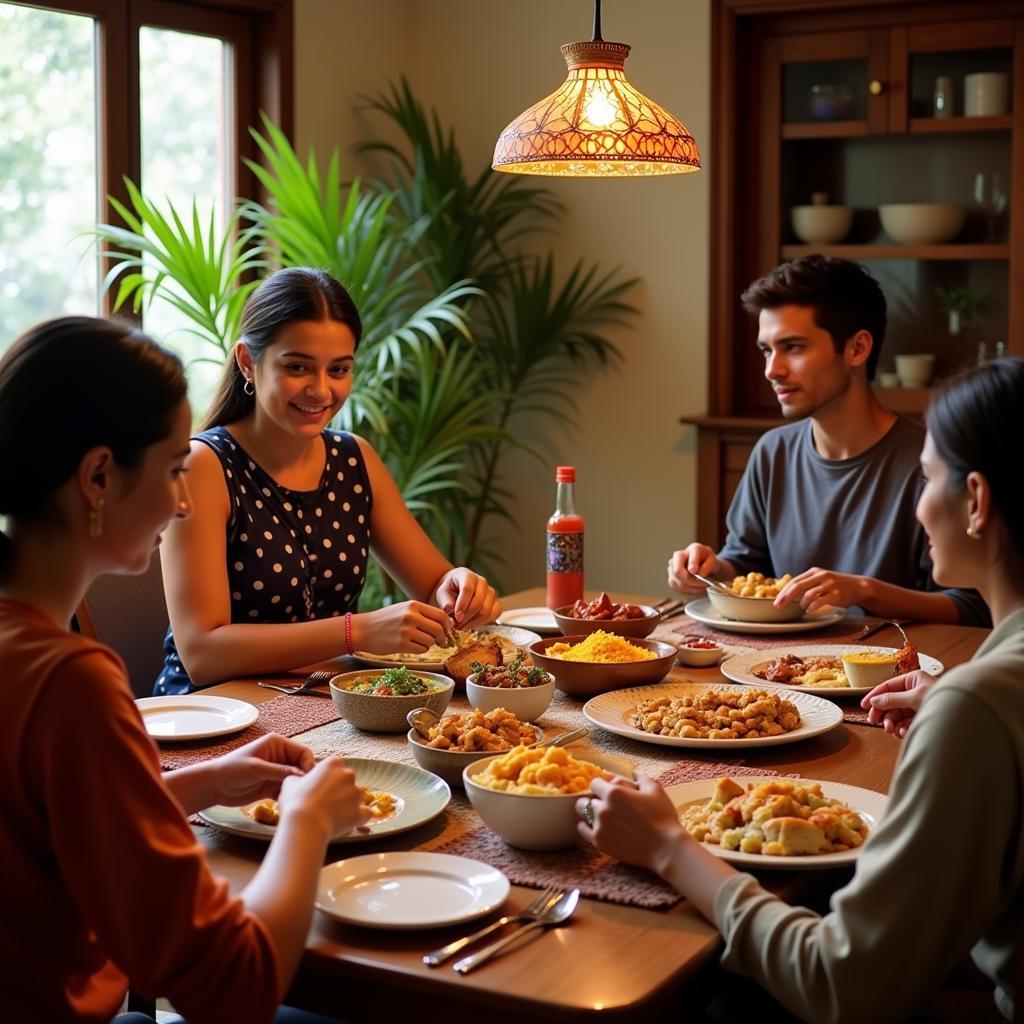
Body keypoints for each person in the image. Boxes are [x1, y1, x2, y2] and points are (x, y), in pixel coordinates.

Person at [585, 357, 1024, 1022]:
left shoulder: (981, 702)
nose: (918, 501)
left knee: (708, 997)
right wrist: (957, 708)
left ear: (978, 501)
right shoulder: (984, 691)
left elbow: (841, 985)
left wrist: (670, 848)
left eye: (929, 478)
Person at [0, 317, 369, 1023]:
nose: (184, 501)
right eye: (174, 469)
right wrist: (306, 822)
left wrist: (198, 783)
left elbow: (45, 831)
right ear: (99, 476)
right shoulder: (69, 681)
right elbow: (236, 987)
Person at [156, 267, 501, 693]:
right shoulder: (203, 466)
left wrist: (459, 588)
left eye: (338, 370)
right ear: (248, 362)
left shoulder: (354, 459)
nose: (321, 391)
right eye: (298, 367)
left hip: (321, 701)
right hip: (213, 716)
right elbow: (202, 654)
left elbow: (433, 585)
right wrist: (355, 632)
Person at [668, 255, 987, 626]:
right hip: (779, 670)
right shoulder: (772, 452)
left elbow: (972, 607)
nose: (773, 370)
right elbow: (743, 565)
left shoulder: (931, 461)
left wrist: (864, 591)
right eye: (767, 350)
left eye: (794, 347)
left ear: (857, 349)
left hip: (895, 674)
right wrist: (706, 568)